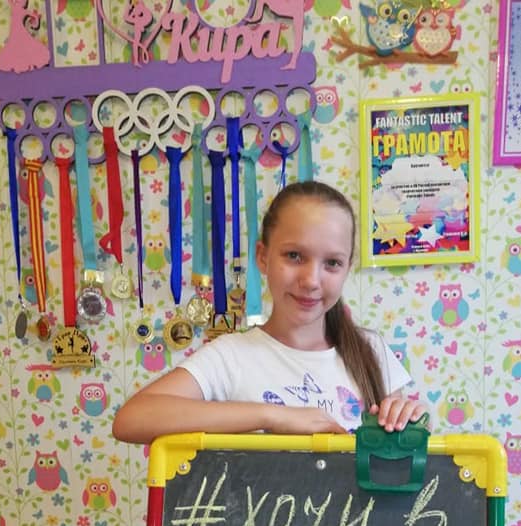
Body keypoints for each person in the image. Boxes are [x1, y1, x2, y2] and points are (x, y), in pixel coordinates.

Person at [112, 180, 426, 445]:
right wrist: (273, 416)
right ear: (262, 257)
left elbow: (399, 459)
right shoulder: (232, 356)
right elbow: (132, 419)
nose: (311, 281)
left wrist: (405, 422)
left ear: (346, 268)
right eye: (294, 256)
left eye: (332, 263)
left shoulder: (372, 351)